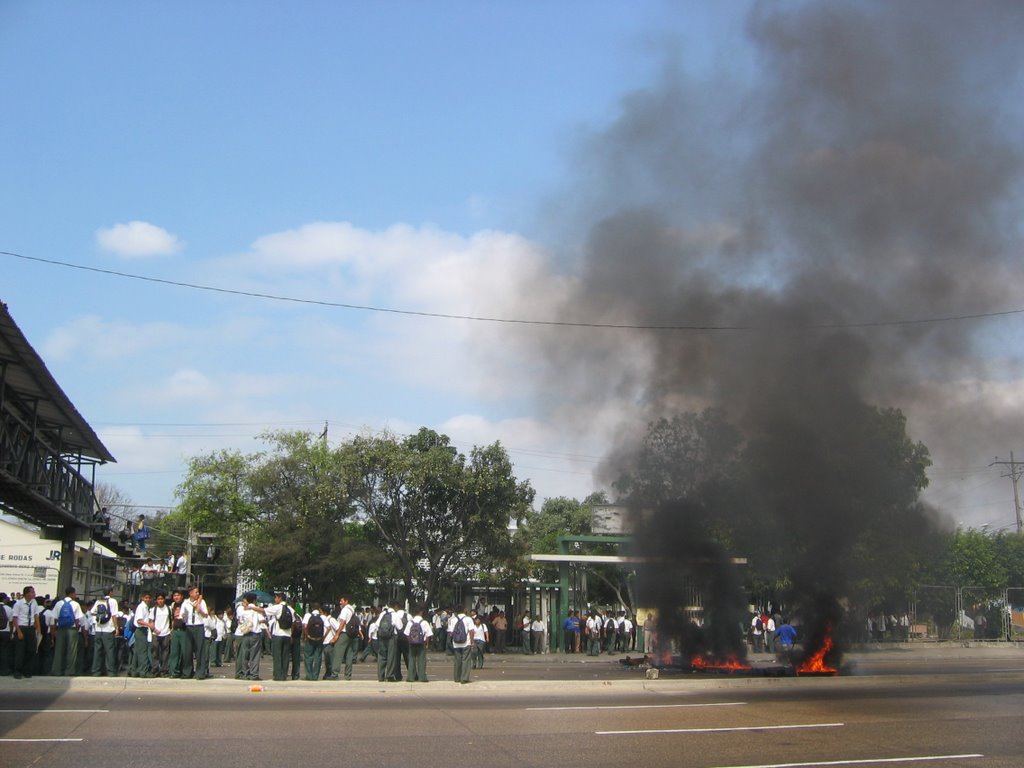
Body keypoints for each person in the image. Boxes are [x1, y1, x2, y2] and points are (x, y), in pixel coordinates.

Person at [51, 586, 84, 676]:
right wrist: (77, 628)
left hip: (61, 629)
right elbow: (78, 620)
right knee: (71, 651)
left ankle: (57, 671)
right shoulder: (75, 604)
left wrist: (54, 630)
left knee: (59, 650)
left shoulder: (59, 604)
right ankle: (69, 671)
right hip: (72, 629)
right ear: (72, 594)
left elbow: (54, 618)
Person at [11, 586, 42, 679]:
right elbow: (15, 618)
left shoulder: (34, 602)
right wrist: (19, 631)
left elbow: (36, 616)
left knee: (31, 650)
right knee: (20, 651)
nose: (34, 594)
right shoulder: (18, 604)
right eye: (32, 592)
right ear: (27, 593)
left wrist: (38, 630)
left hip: (31, 628)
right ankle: (17, 671)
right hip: (21, 627)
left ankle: (27, 670)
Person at [89, 585, 120, 676]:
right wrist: (116, 628)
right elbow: (114, 615)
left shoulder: (99, 601)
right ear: (110, 592)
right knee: (109, 651)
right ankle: (110, 671)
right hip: (108, 629)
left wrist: (100, 616)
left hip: (98, 629)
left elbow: (92, 612)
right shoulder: (113, 601)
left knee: (97, 651)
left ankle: (96, 671)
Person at [184, 585, 210, 679]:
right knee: (188, 650)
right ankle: (187, 672)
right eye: (196, 592)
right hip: (189, 626)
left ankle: (200, 672)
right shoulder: (186, 602)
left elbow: (206, 615)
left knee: (200, 651)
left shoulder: (202, 602)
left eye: (198, 592)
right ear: (190, 593)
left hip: (198, 626)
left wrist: (200, 610)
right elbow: (183, 615)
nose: (198, 594)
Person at [404, 605, 432, 682]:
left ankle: (411, 677)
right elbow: (428, 634)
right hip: (421, 643)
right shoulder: (424, 622)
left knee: (411, 659)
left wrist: (410, 641)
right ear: (421, 612)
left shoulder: (410, 622)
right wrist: (427, 644)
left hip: (412, 643)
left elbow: (406, 634)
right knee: (421, 660)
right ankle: (422, 677)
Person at [129, 592, 153, 678]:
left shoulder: (146, 607)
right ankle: (143, 672)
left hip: (143, 630)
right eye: (146, 597)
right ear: (142, 598)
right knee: (143, 652)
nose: (147, 599)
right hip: (141, 630)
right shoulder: (141, 607)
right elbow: (139, 620)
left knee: (137, 652)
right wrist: (148, 624)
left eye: (149, 597)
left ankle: (134, 671)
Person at [149, 592, 172, 676]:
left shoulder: (168, 609)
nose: (160, 601)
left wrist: (170, 631)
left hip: (166, 633)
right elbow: (150, 621)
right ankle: (155, 670)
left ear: (164, 600)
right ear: (156, 600)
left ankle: (164, 670)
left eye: (162, 599)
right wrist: (154, 629)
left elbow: (171, 620)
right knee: (155, 653)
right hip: (155, 634)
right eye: (158, 599)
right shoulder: (153, 609)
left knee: (165, 653)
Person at [450, 607, 474, 684]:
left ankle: (457, 678)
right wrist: (472, 641)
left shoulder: (453, 620)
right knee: (466, 660)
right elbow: (471, 631)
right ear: (464, 610)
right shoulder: (468, 619)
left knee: (457, 661)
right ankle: (464, 678)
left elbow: (451, 632)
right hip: (466, 642)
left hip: (456, 643)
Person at [302, 602, 325, 681]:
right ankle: (315, 676)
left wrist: (307, 635)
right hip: (319, 639)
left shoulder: (308, 615)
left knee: (308, 656)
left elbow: (305, 626)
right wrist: (322, 637)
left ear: (311, 608)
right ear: (319, 609)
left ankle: (309, 675)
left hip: (310, 639)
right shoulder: (322, 617)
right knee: (318, 657)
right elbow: (327, 628)